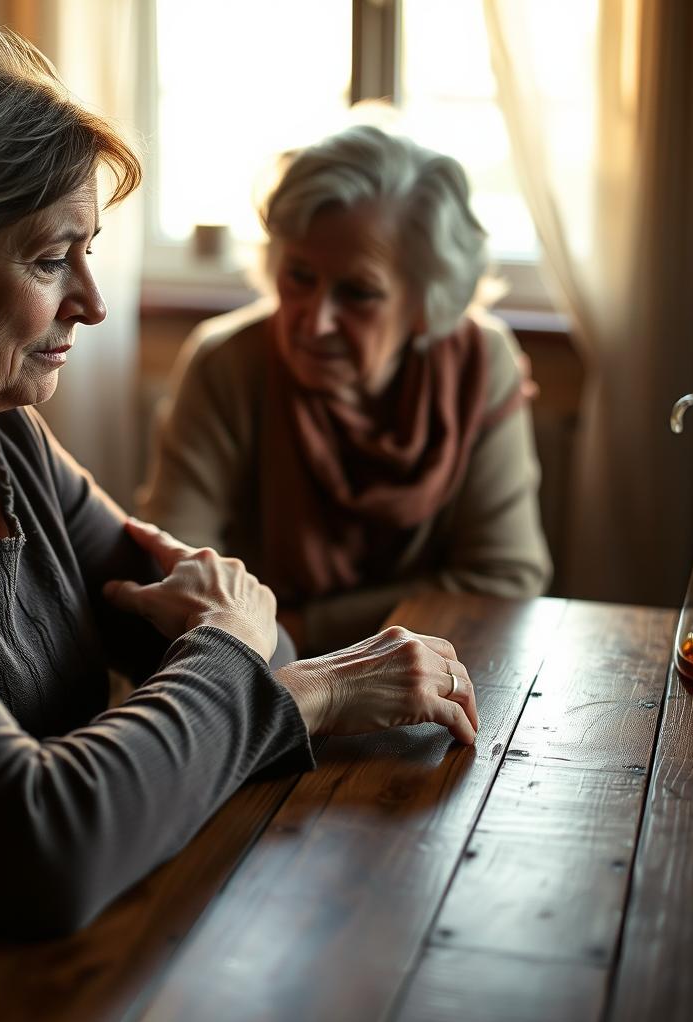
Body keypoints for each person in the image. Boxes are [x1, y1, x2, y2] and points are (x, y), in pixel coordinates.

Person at [0, 22, 479, 1021]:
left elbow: (251, 644)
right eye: (55, 257)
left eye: (90, 251)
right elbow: (46, 846)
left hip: (64, 968)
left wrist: (257, 663)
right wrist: (291, 686)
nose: (95, 303)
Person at [139, 124, 552, 656]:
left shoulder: (480, 365)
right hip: (256, 681)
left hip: (431, 674)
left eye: (358, 293)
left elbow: (504, 581)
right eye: (299, 277)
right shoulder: (226, 364)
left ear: (429, 303)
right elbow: (175, 575)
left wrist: (291, 629)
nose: (316, 322)